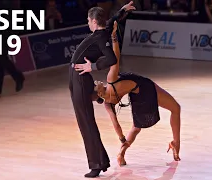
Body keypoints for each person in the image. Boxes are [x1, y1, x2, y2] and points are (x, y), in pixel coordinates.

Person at [79, 21, 181, 167]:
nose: (96, 81)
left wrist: (122, 141)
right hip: (145, 87)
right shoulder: (111, 80)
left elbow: (116, 125)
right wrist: (114, 37)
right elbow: (116, 58)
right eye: (95, 84)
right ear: (98, 91)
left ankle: (121, 154)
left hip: (136, 96)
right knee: (175, 108)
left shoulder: (108, 103)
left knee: (136, 127)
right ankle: (176, 143)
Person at [69, 2, 135, 178]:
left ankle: (96, 165)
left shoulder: (99, 37)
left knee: (86, 122)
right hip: (77, 80)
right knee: (85, 120)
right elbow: (113, 20)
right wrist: (123, 10)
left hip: (81, 79)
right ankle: (97, 94)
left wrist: (93, 66)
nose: (88, 23)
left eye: (88, 21)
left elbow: (112, 59)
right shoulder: (103, 32)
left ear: (93, 21)